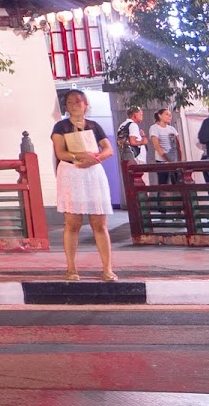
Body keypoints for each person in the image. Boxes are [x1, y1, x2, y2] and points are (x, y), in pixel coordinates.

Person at [51, 89, 117, 282]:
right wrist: (79, 157)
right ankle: (71, 268)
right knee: (72, 223)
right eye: (70, 102)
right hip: (72, 173)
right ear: (66, 106)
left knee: (99, 223)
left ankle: (107, 268)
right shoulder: (60, 127)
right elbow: (60, 152)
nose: (75, 104)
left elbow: (108, 149)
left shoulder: (95, 126)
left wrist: (95, 159)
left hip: (93, 173)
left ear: (86, 105)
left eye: (79, 101)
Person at [148, 107, 182, 187]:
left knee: (177, 184)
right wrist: (167, 159)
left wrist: (179, 161)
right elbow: (157, 146)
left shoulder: (172, 129)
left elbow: (178, 146)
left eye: (170, 115)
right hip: (162, 160)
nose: (169, 116)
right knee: (163, 184)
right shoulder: (154, 128)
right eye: (166, 114)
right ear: (160, 115)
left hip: (174, 160)